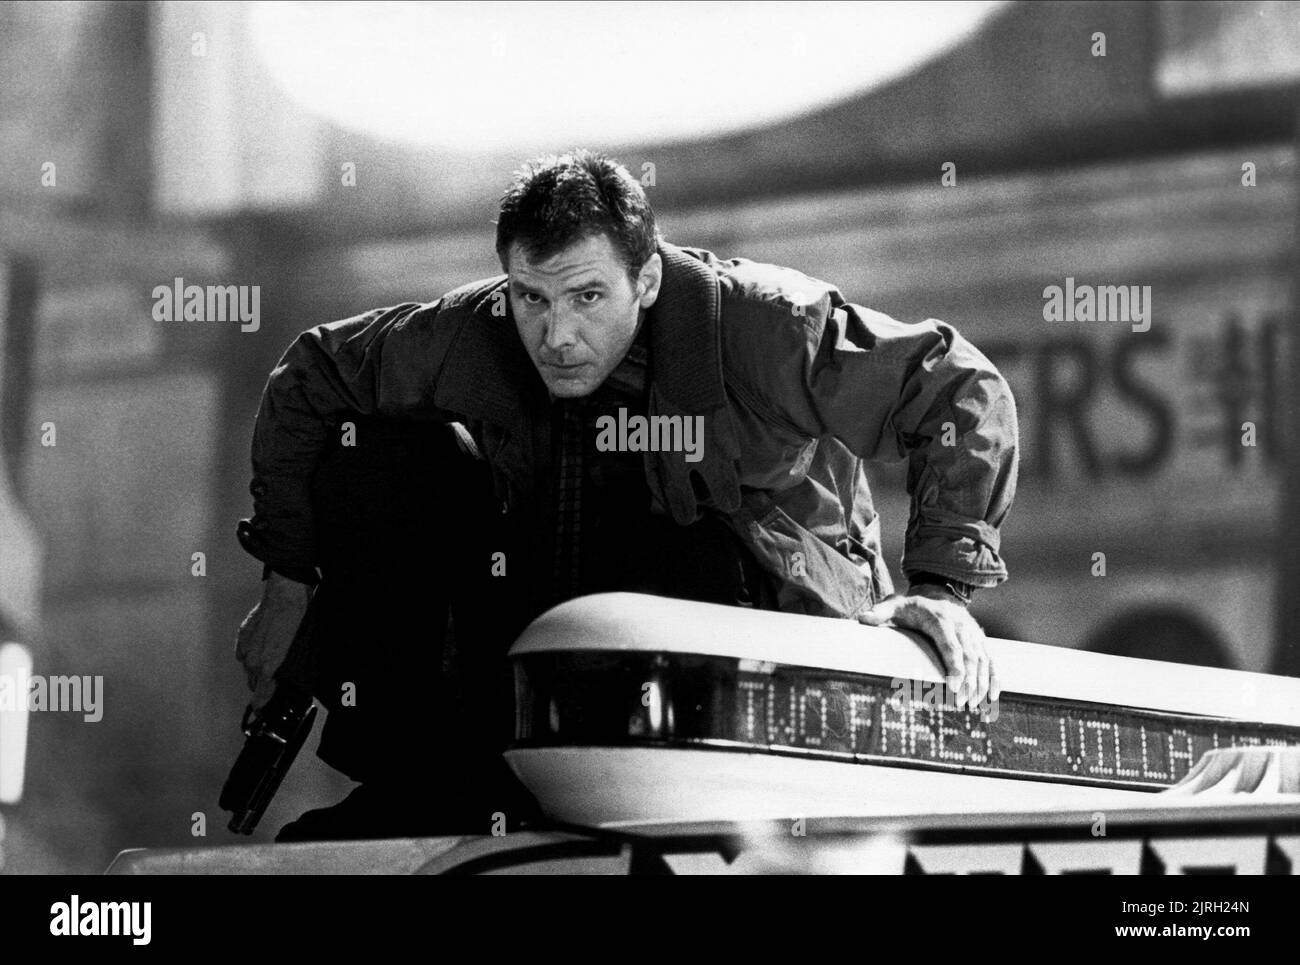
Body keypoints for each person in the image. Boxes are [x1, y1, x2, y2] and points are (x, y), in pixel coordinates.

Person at [234, 150, 1019, 840]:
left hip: (751, 634)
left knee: (667, 501)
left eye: (586, 297)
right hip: (552, 627)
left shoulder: (762, 324)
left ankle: (654, 791)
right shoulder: (479, 331)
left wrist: (942, 589)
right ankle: (431, 773)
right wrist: (288, 582)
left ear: (646, 280)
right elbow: (311, 375)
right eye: (530, 298)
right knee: (377, 453)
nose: (556, 335)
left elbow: (957, 386)